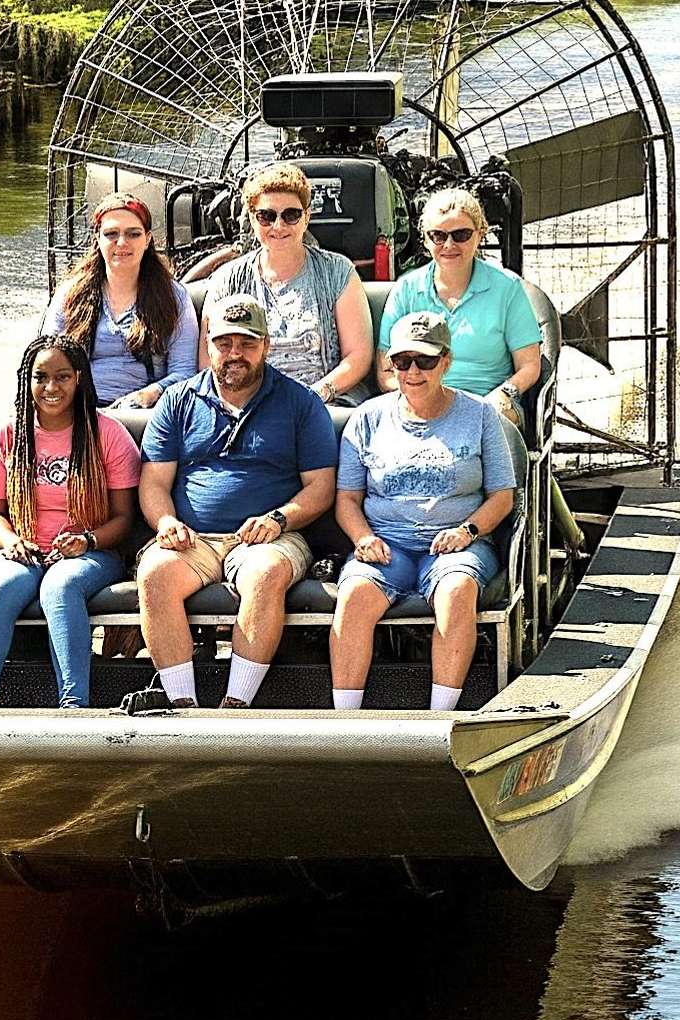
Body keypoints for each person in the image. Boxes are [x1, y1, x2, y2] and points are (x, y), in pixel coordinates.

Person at [137, 293, 339, 708]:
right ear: (208, 343)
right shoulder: (178, 401)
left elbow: (320, 487)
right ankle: (181, 707)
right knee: (155, 573)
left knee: (266, 573)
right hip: (193, 540)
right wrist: (165, 523)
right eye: (225, 343)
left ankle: (236, 707)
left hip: (268, 538)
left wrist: (279, 519)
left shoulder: (301, 403)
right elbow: (154, 483)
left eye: (247, 344)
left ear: (266, 345)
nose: (235, 354)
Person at [331, 311, 518, 712]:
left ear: (446, 361)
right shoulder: (366, 418)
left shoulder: (481, 415)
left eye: (425, 361)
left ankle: (440, 716)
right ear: (391, 365)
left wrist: (467, 531)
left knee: (456, 591)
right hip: (386, 543)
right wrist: (363, 538)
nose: (413, 371)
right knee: (353, 597)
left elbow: (503, 495)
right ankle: (345, 721)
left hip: (457, 543)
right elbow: (346, 499)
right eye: (402, 362)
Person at [0, 334, 143, 708]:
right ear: (26, 381)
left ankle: (74, 706)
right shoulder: (7, 436)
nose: (50, 387)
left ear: (79, 378)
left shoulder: (107, 434)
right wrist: (11, 541)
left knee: (59, 587)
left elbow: (124, 519)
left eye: (61, 377)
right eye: (40, 376)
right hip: (24, 548)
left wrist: (88, 540)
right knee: (3, 587)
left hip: (91, 551)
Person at [205, 163, 375, 405]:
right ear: (253, 219)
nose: (278, 226)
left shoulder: (337, 271)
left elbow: (358, 356)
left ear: (306, 218)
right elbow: (209, 358)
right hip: (248, 402)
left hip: (322, 402)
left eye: (290, 215)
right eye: (267, 216)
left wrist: (315, 396)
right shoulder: (228, 279)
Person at [376, 188, 544, 429]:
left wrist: (504, 393)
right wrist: (420, 397)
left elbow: (530, 365)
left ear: (480, 235)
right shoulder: (406, 290)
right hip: (417, 401)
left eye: (461, 234)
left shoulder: (508, 289)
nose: (449, 245)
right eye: (438, 236)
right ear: (425, 239)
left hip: (488, 402)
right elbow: (385, 371)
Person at [43, 193, 199, 409]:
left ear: (148, 240)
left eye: (133, 234)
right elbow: (46, 361)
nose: (122, 243)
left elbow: (185, 372)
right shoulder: (70, 294)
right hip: (80, 410)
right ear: (97, 239)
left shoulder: (174, 297)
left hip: (147, 414)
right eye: (111, 234)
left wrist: (149, 394)